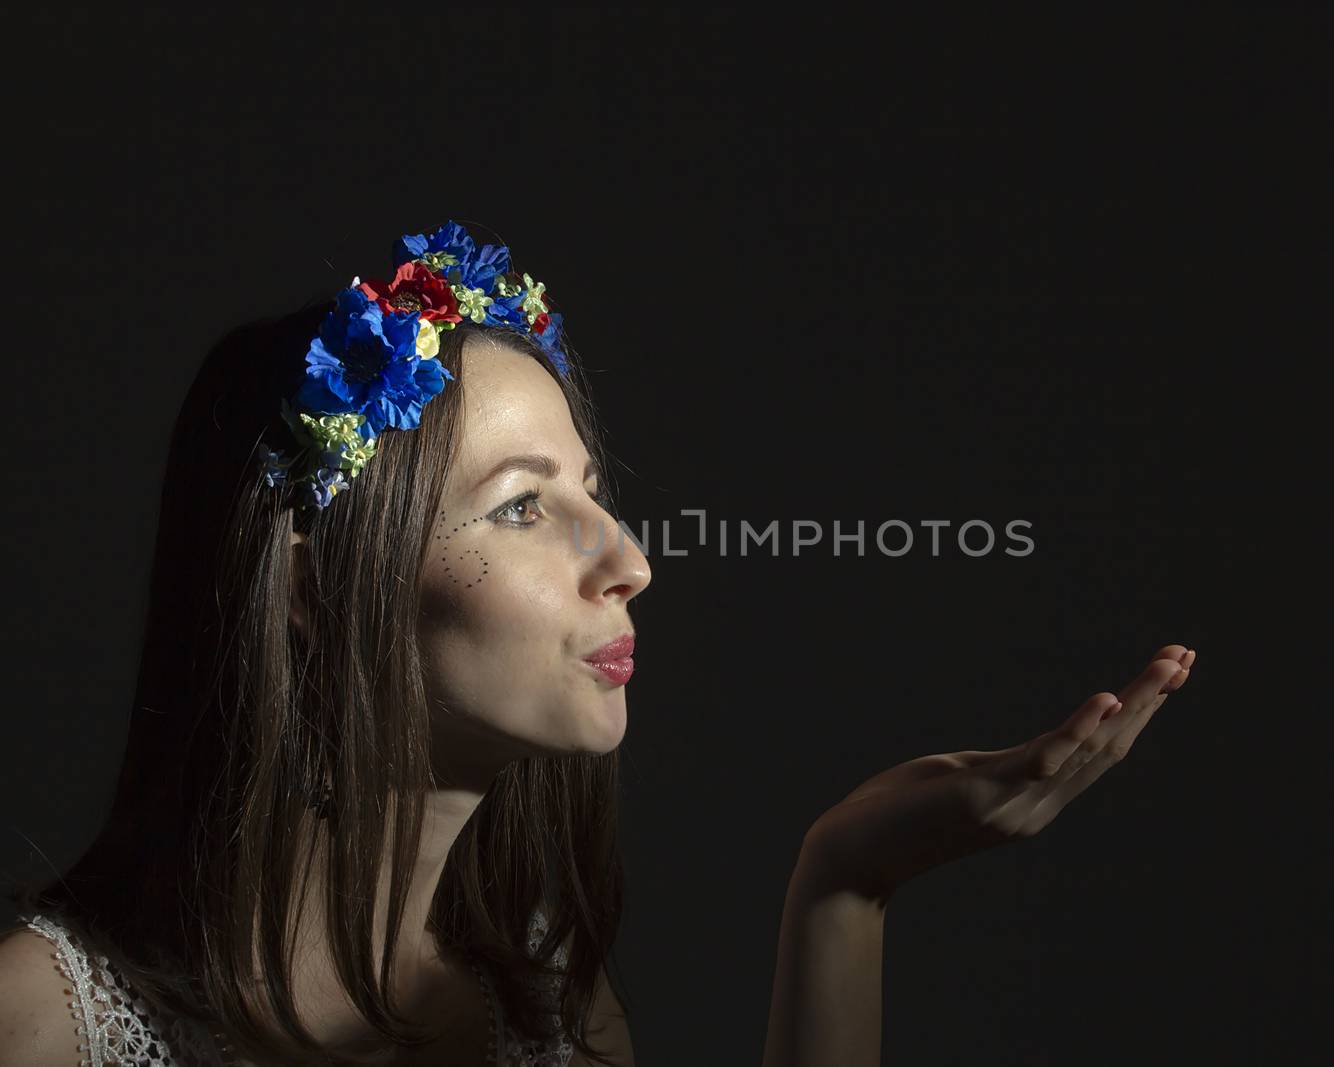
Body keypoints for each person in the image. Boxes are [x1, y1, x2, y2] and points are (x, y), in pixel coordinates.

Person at [0, 221, 1196, 1067]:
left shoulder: (544, 1004)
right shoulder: (40, 1023)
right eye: (524, 504)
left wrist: (846, 882)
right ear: (314, 594)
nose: (629, 558)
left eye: (591, 487)